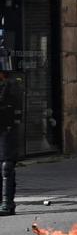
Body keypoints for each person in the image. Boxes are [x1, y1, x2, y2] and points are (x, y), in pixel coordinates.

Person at [0, 67, 23, 216]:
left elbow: (15, 108)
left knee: (6, 166)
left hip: (7, 128)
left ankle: (7, 203)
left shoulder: (12, 84)